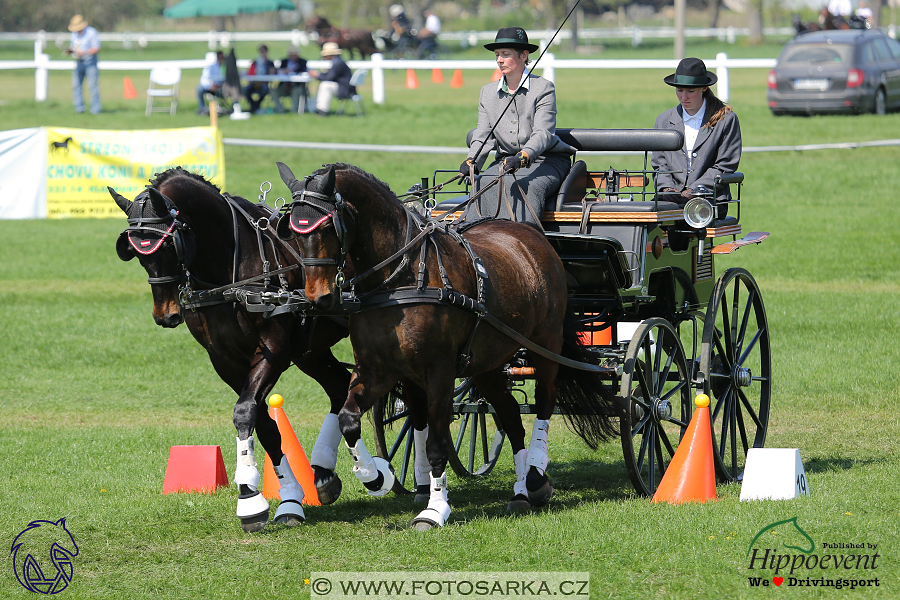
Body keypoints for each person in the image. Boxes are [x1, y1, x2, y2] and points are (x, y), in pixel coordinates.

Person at [459, 27, 574, 227]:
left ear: (524, 55)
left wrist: (523, 157)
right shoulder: (487, 93)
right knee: (482, 183)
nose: (499, 60)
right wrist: (472, 160)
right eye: (497, 55)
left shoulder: (544, 88)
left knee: (522, 185)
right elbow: (483, 134)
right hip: (506, 162)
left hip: (547, 160)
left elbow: (543, 133)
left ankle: (526, 241)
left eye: (505, 54)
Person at [651, 57, 741, 216]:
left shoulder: (725, 119)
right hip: (670, 198)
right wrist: (667, 188)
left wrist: (694, 190)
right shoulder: (664, 120)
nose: (683, 97)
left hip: (709, 198)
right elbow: (660, 164)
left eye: (690, 91)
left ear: (704, 88)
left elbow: (725, 165)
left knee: (685, 219)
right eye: (679, 90)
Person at [66, 15, 101, 115]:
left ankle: (95, 109)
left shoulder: (91, 32)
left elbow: (96, 48)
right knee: (76, 86)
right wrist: (70, 51)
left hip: (90, 62)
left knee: (93, 86)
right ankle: (79, 108)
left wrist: (84, 52)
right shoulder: (74, 34)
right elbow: (73, 46)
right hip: (79, 62)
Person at [308, 42, 352, 116]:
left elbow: (329, 77)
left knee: (325, 85)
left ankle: (322, 110)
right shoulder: (337, 62)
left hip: (344, 89)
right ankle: (315, 107)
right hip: (344, 87)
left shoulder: (338, 64)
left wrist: (316, 75)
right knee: (323, 85)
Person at [271, 46, 308, 114]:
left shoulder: (302, 62)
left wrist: (293, 72)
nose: (293, 56)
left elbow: (304, 72)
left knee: (297, 91)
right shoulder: (284, 62)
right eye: (291, 54)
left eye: (294, 54)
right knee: (273, 90)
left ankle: (294, 111)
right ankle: (280, 110)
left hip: (296, 86)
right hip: (284, 85)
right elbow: (277, 72)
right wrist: (283, 71)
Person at [242, 44, 276, 114]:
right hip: (254, 83)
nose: (262, 53)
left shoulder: (270, 63)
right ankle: (254, 106)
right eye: (260, 51)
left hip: (264, 84)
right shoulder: (255, 62)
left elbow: (271, 75)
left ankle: (256, 106)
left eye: (263, 51)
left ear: (266, 52)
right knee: (245, 90)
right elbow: (250, 73)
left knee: (264, 90)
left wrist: (263, 81)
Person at [196, 51, 225, 115]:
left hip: (222, 87)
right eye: (220, 57)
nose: (222, 59)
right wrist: (210, 86)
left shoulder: (226, 67)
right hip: (211, 87)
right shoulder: (211, 67)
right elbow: (204, 79)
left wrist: (219, 85)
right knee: (199, 88)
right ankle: (202, 108)